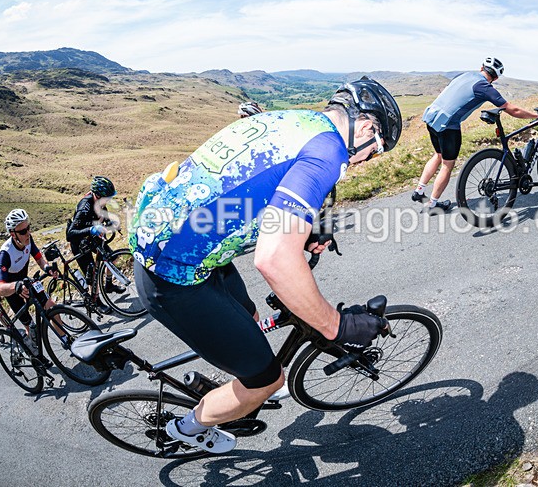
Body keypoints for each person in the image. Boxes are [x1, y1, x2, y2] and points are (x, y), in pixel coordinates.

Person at [129, 77, 402, 454]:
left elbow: (251, 185)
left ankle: (231, 379)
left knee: (252, 316)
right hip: (172, 274)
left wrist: (304, 231)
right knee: (267, 380)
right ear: (367, 127)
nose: (364, 160)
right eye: (374, 151)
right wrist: (337, 326)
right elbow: (274, 257)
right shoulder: (329, 152)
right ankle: (188, 428)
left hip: (180, 244)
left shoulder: (298, 121)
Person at [413, 57, 538, 213]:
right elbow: (512, 110)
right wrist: (536, 116)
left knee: (438, 155)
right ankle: (432, 204)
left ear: (481, 68)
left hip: (432, 118)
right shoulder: (484, 87)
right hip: (448, 125)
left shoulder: (465, 75)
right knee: (447, 164)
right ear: (495, 77)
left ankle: (419, 191)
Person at [0, 209, 63, 344]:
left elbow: (39, 259)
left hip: (26, 282)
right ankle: (34, 354)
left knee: (52, 307)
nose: (28, 233)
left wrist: (47, 268)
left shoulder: (28, 239)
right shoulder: (6, 253)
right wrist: (16, 286)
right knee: (32, 328)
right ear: (12, 234)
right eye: (23, 231)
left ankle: (65, 339)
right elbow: (0, 288)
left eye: (28, 228)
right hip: (13, 292)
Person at [65, 176, 124, 307]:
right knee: (93, 274)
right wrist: (91, 229)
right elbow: (70, 235)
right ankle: (95, 301)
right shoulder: (85, 206)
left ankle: (108, 285)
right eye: (107, 198)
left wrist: (110, 223)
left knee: (112, 258)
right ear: (97, 195)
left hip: (93, 239)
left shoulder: (100, 203)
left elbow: (102, 216)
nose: (109, 200)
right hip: (79, 242)